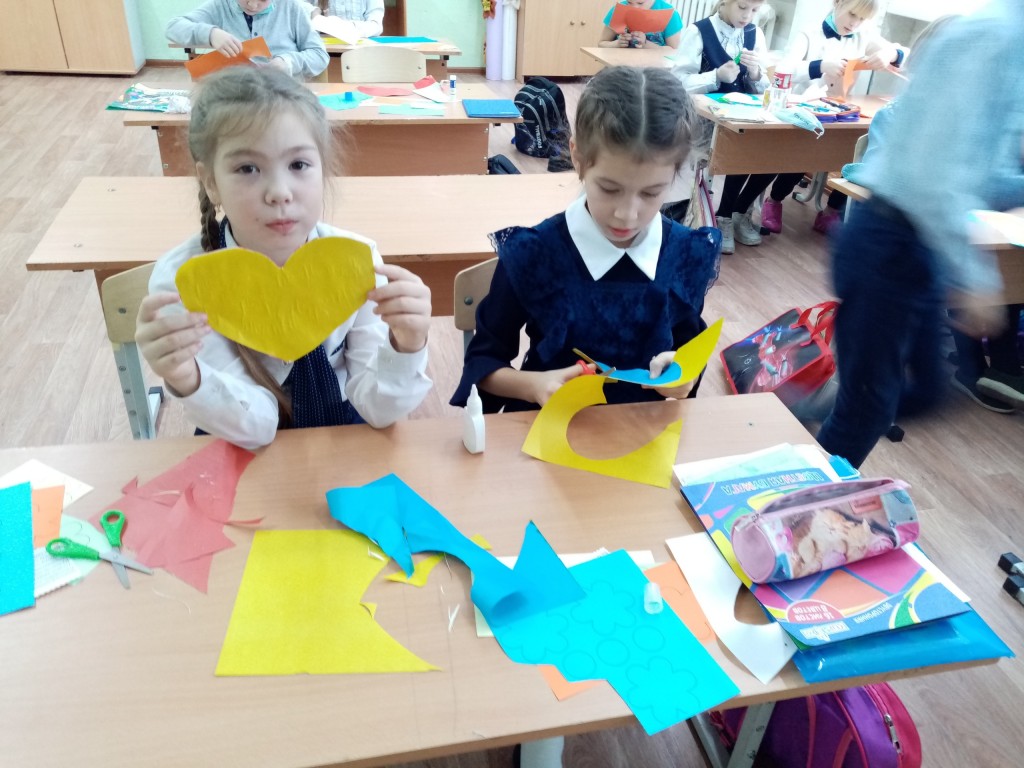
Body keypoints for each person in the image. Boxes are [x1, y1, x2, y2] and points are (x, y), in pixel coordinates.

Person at [136, 67, 432, 450]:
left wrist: (407, 345)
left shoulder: (355, 261)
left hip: (343, 432)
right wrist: (187, 377)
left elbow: (378, 409)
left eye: (298, 165)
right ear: (210, 182)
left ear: (323, 169)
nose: (279, 192)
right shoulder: (187, 282)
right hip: (235, 431)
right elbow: (256, 429)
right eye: (247, 168)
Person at [816, 0, 1024, 468]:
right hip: (889, 240)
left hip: (921, 246)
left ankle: (835, 406)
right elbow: (933, 181)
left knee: (929, 390)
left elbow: (978, 175)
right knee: (868, 409)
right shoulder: (992, 37)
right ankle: (803, 495)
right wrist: (977, 279)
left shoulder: (1009, 43)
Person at [450, 66, 721, 413]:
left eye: (651, 193)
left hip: (643, 433)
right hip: (544, 428)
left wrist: (684, 376)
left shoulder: (686, 254)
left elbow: (689, 349)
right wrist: (534, 385)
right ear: (577, 158)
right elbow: (483, 363)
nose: (627, 214)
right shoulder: (534, 254)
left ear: (677, 172)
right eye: (609, 188)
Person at [759, 0, 906, 236]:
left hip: (841, 113)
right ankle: (774, 200)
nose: (855, 23)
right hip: (806, 114)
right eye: (852, 14)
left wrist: (890, 53)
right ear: (837, 3)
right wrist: (819, 66)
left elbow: (903, 53)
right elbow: (783, 69)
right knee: (801, 157)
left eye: (862, 19)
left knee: (856, 157)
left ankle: (832, 210)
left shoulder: (864, 35)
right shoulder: (809, 33)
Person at [670, 0, 770, 254]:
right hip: (704, 120)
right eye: (742, 7)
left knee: (772, 152)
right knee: (734, 149)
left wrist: (756, 73)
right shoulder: (699, 31)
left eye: (755, 11)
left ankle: (736, 211)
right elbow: (678, 81)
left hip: (744, 118)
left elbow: (764, 87)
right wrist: (715, 77)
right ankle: (719, 216)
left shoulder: (755, 34)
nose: (748, 16)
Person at [166, 0, 329, 80]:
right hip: (236, 93)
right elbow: (173, 27)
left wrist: (288, 62)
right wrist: (211, 34)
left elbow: (320, 55)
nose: (252, 4)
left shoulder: (292, 8)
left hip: (282, 95)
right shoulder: (221, 5)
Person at [599, 0, 684, 49]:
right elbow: (601, 43)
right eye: (629, 2)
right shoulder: (618, 10)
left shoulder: (669, 13)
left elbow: (674, 51)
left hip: (654, 69)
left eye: (640, 3)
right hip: (620, 66)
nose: (634, 8)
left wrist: (646, 44)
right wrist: (616, 44)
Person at [302, 0, 384, 38]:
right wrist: (314, 14)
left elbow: (376, 25)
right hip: (324, 52)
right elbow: (300, 7)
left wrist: (349, 28)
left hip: (359, 52)